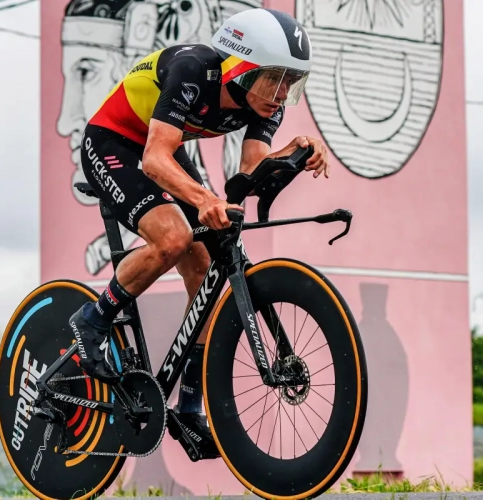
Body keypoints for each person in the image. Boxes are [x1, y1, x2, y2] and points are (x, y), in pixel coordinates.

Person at [67, 7, 330, 455]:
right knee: (174, 238)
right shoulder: (193, 71)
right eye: (275, 78)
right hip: (115, 141)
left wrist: (294, 152)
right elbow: (153, 160)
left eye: (292, 81)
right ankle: (91, 320)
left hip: (162, 146)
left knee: (206, 267)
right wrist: (204, 199)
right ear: (242, 68)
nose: (283, 93)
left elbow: (249, 170)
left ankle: (189, 404)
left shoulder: (266, 103)